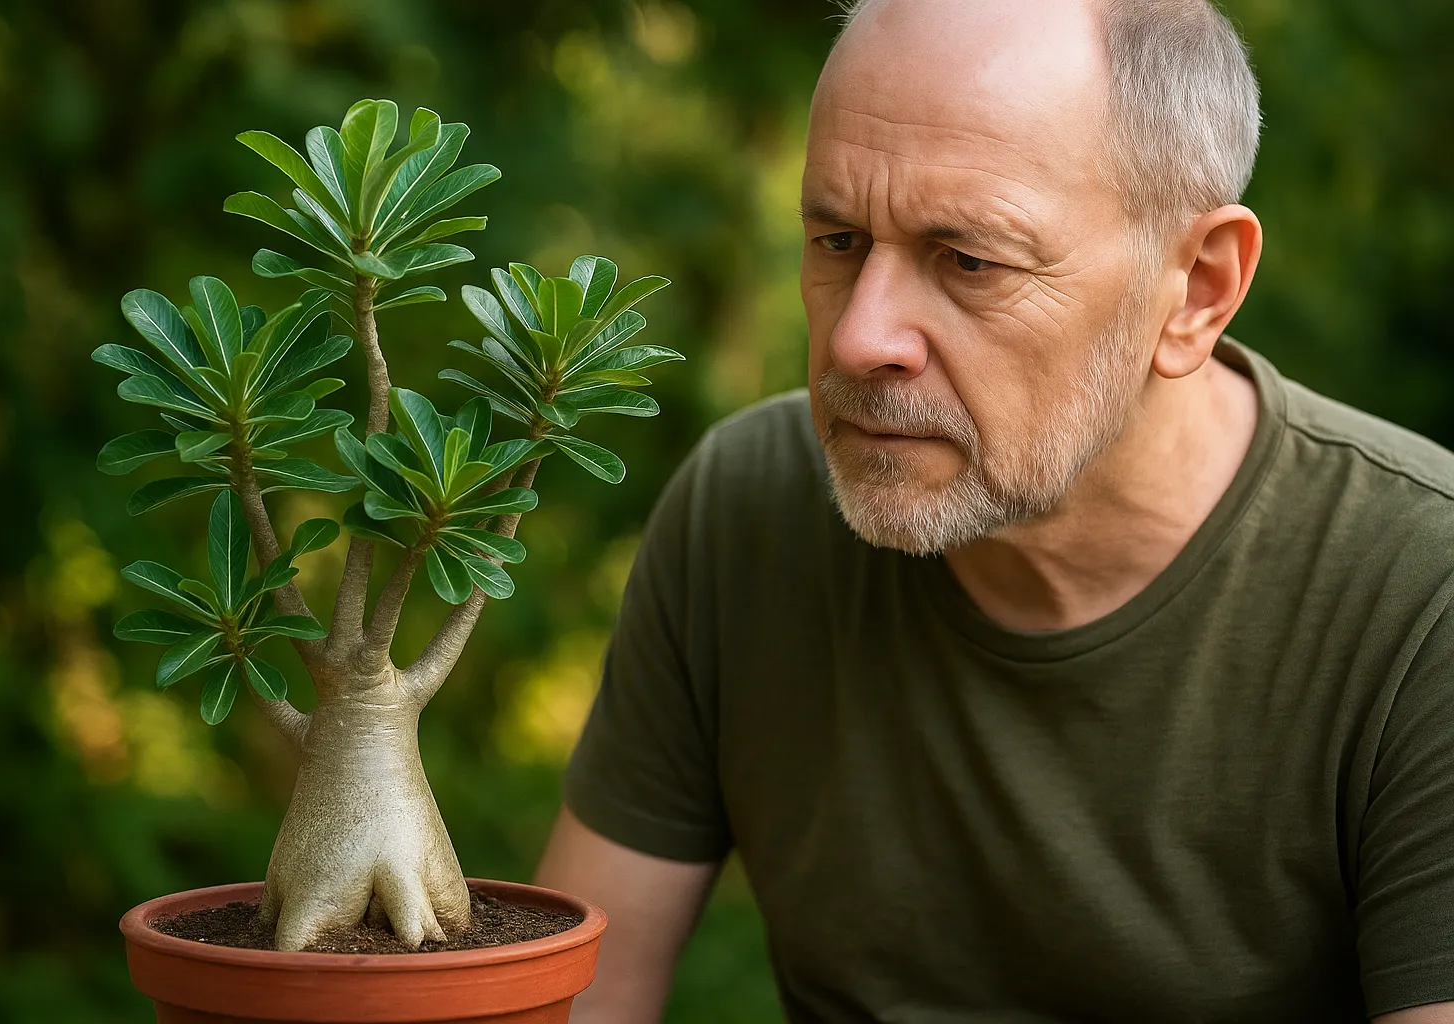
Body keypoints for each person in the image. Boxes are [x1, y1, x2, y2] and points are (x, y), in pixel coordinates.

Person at [534, 0, 1454, 1020]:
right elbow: (576, 1003)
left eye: (970, 261)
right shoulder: (748, 509)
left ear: (1197, 288)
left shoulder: (1421, 595)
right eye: (837, 239)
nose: (859, 339)